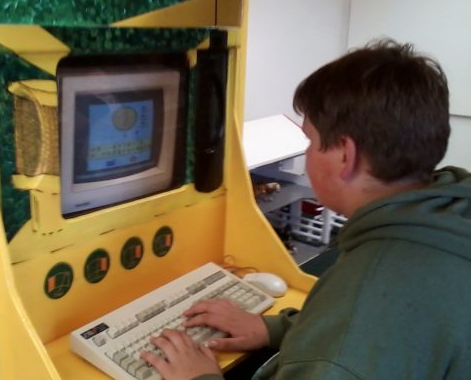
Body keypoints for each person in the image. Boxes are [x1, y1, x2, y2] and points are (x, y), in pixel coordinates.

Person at [140, 39, 471, 379]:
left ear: (345, 155)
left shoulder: (365, 303)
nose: (308, 153)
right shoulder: (449, 218)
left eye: (310, 141)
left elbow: (355, 340)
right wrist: (275, 328)